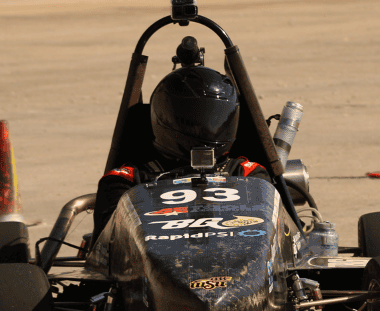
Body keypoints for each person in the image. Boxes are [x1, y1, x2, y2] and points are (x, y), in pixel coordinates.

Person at [93, 37, 270, 236]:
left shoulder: (247, 174)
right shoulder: (125, 181)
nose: (207, 129)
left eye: (217, 118)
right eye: (196, 120)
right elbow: (109, 244)